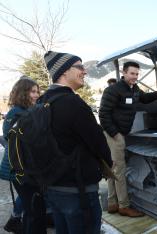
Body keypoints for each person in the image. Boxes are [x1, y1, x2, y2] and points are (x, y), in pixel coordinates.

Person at [42, 51, 113, 234]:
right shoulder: (73, 103)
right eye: (80, 67)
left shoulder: (42, 102)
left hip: (53, 188)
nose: (84, 71)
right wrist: (108, 165)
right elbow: (98, 142)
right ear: (64, 71)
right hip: (78, 191)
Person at [99, 61, 157, 217]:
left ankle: (112, 203)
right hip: (114, 134)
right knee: (120, 169)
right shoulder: (113, 90)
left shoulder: (134, 89)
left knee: (114, 169)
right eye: (132, 73)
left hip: (120, 132)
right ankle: (124, 206)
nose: (135, 77)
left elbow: (144, 98)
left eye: (137, 74)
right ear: (124, 73)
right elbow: (103, 114)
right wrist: (115, 134)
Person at [0, 77, 39, 234]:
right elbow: (17, 140)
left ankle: (15, 220)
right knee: (32, 206)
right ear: (23, 93)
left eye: (37, 91)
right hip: (19, 167)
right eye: (33, 91)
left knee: (29, 201)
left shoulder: (22, 111)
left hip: (20, 166)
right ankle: (16, 221)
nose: (36, 95)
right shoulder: (18, 113)